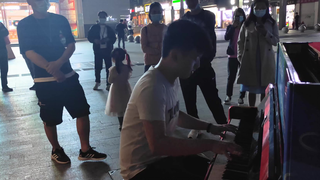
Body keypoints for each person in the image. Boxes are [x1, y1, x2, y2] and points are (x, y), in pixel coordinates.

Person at [120, 20, 242, 180]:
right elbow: (158, 145)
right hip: (141, 171)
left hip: (160, 161)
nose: (197, 65)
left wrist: (211, 127)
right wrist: (211, 145)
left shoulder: (170, 78)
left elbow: (175, 114)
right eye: (194, 58)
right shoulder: (152, 86)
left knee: (212, 168)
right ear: (175, 55)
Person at [17, 0, 107, 164]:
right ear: (31, 2)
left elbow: (71, 45)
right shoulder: (25, 24)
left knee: (82, 111)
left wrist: (59, 63)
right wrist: (51, 69)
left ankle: (85, 149)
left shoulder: (60, 20)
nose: (42, 3)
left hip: (68, 75)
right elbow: (29, 52)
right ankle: (56, 149)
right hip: (43, 79)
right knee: (50, 118)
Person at [181, 0, 227, 139]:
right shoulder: (184, 19)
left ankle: (223, 125)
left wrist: (203, 60)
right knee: (189, 99)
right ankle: (195, 127)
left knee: (212, 97)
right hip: (187, 67)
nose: (190, 2)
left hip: (204, 65)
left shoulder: (208, 16)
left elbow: (210, 41)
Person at [237, 0, 279, 107]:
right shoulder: (247, 23)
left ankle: (263, 112)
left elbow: (275, 41)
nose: (259, 10)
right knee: (251, 88)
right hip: (250, 59)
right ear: (253, 8)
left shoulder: (272, 23)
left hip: (265, 60)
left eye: (262, 7)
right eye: (257, 7)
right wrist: (240, 56)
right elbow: (240, 41)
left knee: (264, 88)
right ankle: (251, 110)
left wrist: (266, 33)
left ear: (266, 8)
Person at [88, 11, 116, 91]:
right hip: (98, 50)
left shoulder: (109, 28)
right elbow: (89, 37)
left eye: (104, 17)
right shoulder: (94, 28)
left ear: (106, 18)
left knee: (109, 67)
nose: (102, 18)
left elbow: (113, 38)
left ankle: (109, 83)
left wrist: (108, 40)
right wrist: (95, 40)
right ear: (98, 18)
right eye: (101, 17)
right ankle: (97, 82)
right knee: (97, 67)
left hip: (108, 50)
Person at [105, 48, 132, 131]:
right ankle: (126, 122)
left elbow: (110, 80)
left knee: (118, 108)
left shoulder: (113, 69)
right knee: (125, 105)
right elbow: (127, 77)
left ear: (113, 58)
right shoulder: (127, 68)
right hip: (125, 87)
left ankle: (121, 124)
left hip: (116, 90)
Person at [224, 8, 246, 105]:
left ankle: (241, 96)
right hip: (232, 56)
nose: (238, 17)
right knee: (231, 77)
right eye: (236, 15)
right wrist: (233, 27)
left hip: (243, 56)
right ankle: (228, 96)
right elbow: (226, 37)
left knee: (243, 77)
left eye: (240, 15)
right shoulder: (231, 27)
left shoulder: (246, 27)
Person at [141, 2, 167, 73]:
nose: (157, 14)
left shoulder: (166, 28)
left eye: (159, 12)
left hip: (164, 63)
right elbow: (144, 48)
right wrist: (158, 51)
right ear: (150, 14)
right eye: (154, 12)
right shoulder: (145, 30)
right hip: (150, 64)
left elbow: (169, 45)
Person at [0, 22, 13, 92]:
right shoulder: (0, 25)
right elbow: (5, 33)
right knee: (4, 68)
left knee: (4, 68)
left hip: (2, 49)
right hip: (2, 49)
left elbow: (6, 33)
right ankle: (4, 86)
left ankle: (5, 85)